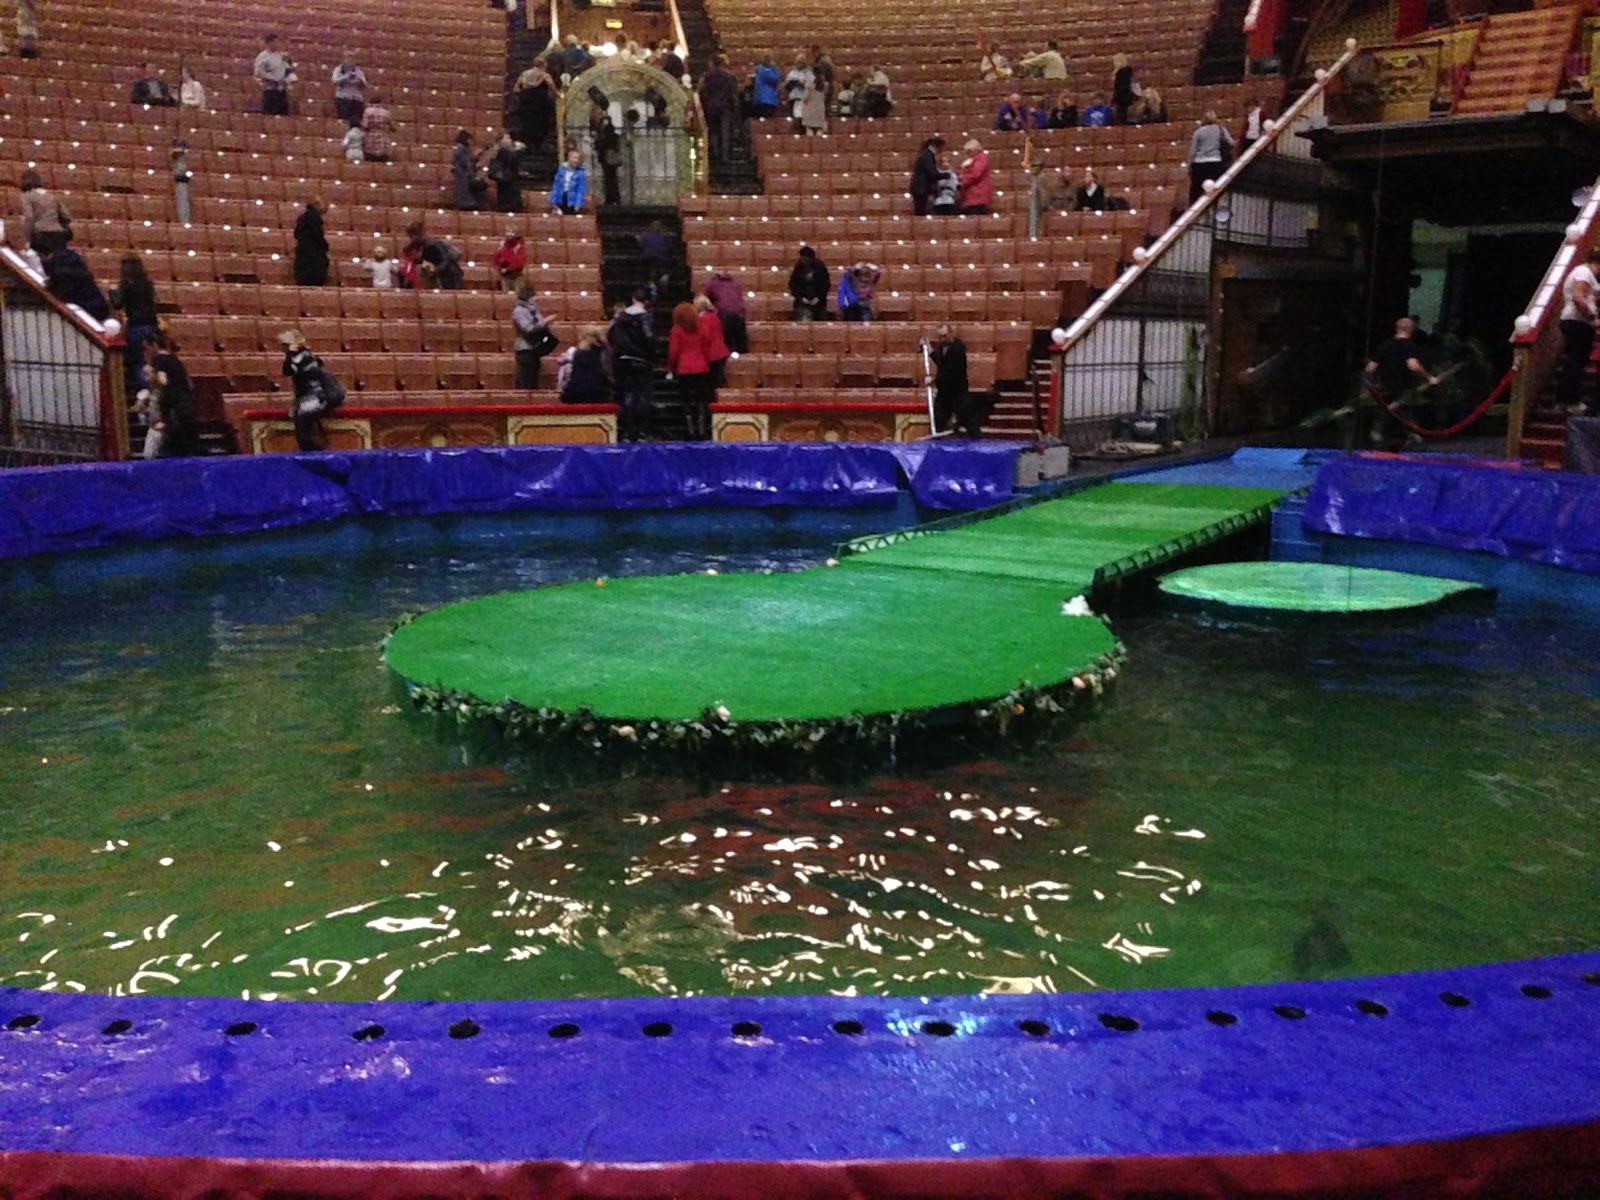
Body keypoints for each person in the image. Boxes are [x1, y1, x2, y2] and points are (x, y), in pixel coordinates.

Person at [1364, 317, 1439, 447]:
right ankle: (1415, 439)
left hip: (1385, 388)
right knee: (1399, 412)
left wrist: (1372, 385)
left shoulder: (1384, 345)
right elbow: (1413, 366)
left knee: (1394, 413)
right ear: (1411, 329)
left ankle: (1380, 439)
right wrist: (1429, 378)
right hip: (1403, 388)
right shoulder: (1409, 346)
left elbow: (1370, 368)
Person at [279, 329, 344, 451]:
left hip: (313, 397)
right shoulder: (301, 357)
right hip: (307, 397)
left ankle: (317, 452)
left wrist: (290, 354)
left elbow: (289, 371)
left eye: (285, 345)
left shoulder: (303, 357)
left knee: (304, 435)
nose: (283, 348)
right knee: (303, 434)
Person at [138, 333, 201, 459]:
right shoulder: (176, 360)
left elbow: (164, 382)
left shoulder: (159, 360)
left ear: (154, 345)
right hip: (187, 407)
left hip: (174, 412)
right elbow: (190, 384)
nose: (145, 353)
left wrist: (153, 389)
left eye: (146, 348)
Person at [1557, 246, 1600, 414]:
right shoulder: (1584, 273)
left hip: (1576, 322)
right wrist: (1592, 317)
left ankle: (1564, 398)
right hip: (1578, 322)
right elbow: (1578, 297)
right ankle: (1571, 400)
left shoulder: (1586, 274)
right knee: (1576, 361)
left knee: (1574, 361)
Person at [609, 288, 656, 442]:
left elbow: (613, 338)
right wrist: (652, 355)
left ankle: (627, 432)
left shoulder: (621, 317)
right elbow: (649, 339)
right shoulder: (645, 317)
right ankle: (641, 431)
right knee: (642, 396)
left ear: (633, 299)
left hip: (623, 360)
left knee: (627, 395)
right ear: (646, 301)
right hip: (641, 360)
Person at [109, 254, 161, 393]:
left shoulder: (127, 285)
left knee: (137, 365)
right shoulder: (147, 284)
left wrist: (112, 291)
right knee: (151, 364)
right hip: (151, 327)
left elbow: (118, 304)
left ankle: (146, 393)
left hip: (136, 328)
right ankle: (155, 393)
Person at [668, 301, 712, 441]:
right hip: (701, 367)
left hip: (684, 369)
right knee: (701, 400)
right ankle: (702, 429)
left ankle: (690, 430)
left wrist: (671, 367)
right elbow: (706, 348)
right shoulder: (702, 328)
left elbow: (674, 352)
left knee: (685, 400)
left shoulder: (676, 331)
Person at [42, 245, 110, 321]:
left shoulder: (63, 272)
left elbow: (63, 288)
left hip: (89, 312)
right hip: (94, 310)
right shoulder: (76, 269)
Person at [512, 284, 558, 389]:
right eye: (533, 297)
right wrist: (545, 321)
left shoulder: (533, 309)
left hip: (535, 348)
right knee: (526, 380)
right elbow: (528, 328)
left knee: (533, 380)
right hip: (525, 349)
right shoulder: (519, 311)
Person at [928, 324, 969, 434]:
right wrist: (930, 351)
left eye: (944, 336)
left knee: (969, 421)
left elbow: (948, 369)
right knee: (938, 420)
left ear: (951, 334)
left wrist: (933, 381)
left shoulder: (958, 348)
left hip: (957, 391)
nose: (942, 339)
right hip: (944, 393)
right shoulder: (942, 347)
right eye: (940, 337)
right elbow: (941, 362)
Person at [699, 55, 741, 164]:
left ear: (712, 63)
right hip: (725, 106)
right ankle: (725, 156)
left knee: (713, 131)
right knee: (725, 131)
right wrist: (735, 107)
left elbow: (701, 90)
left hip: (711, 106)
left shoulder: (707, 76)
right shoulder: (730, 76)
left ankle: (715, 153)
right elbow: (734, 93)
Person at [1188, 109, 1235, 204]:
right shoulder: (1221, 129)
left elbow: (1193, 151)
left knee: (1197, 191)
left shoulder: (1198, 132)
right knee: (1214, 189)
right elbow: (1231, 143)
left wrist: (1190, 164)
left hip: (1199, 164)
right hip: (1215, 161)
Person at [20, 169, 70, 256]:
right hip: (58, 235)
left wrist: (28, 239)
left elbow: (29, 217)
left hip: (41, 235)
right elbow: (66, 216)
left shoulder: (28, 196)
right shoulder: (52, 195)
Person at [512, 60, 557, 153]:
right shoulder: (544, 75)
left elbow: (516, 88)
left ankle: (527, 144)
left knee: (527, 122)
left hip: (526, 102)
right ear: (543, 65)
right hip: (541, 103)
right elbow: (552, 86)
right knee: (540, 123)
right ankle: (538, 145)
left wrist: (522, 95)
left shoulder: (524, 74)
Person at [559, 327, 611, 405]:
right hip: (601, 393)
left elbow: (575, 377)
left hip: (578, 393)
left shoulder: (579, 353)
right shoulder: (606, 352)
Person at [695, 295, 732, 403]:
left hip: (711, 354)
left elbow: (705, 336)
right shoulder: (715, 317)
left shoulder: (702, 319)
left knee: (711, 384)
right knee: (718, 382)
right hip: (722, 352)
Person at [704, 269, 748, 354]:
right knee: (741, 345)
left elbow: (707, 300)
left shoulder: (712, 284)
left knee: (726, 343)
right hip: (739, 314)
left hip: (724, 314)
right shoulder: (735, 284)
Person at [292, 196, 329, 287]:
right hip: (313, 261)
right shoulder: (314, 219)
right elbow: (318, 237)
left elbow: (296, 234)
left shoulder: (301, 218)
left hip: (302, 258)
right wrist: (325, 247)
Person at [254, 33, 293, 117]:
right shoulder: (262, 57)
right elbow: (259, 73)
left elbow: (286, 69)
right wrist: (271, 79)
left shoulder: (281, 56)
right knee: (270, 116)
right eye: (275, 42)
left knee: (283, 115)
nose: (277, 44)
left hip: (281, 90)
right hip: (270, 90)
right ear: (269, 43)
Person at [486, 132, 525, 213]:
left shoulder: (505, 153)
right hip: (506, 190)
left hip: (511, 189)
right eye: (507, 138)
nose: (510, 140)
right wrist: (518, 150)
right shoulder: (501, 152)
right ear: (501, 141)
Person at [590, 106, 622, 206]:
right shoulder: (598, 125)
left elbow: (609, 137)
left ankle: (613, 198)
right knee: (608, 176)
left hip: (608, 152)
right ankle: (611, 197)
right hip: (604, 152)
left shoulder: (605, 124)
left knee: (611, 176)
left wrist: (600, 144)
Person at [789, 245, 829, 322]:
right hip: (802, 301)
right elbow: (794, 285)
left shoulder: (820, 267)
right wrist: (801, 298)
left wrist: (818, 298)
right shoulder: (798, 268)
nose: (803, 261)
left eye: (806, 259)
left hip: (819, 301)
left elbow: (825, 284)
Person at [909, 135, 944, 217]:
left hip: (920, 187)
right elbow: (931, 173)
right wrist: (946, 175)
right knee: (921, 211)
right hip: (921, 188)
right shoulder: (927, 155)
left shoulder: (925, 153)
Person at [331, 51, 368, 128]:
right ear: (343, 59)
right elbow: (334, 81)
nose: (350, 60)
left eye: (352, 58)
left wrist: (358, 80)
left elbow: (365, 84)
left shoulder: (358, 71)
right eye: (347, 58)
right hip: (343, 98)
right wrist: (345, 77)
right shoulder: (338, 69)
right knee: (344, 120)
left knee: (356, 121)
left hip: (356, 99)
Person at [452, 130, 486, 211]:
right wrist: (475, 156)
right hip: (467, 192)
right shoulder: (461, 151)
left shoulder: (460, 151)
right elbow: (468, 165)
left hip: (465, 191)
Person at [957, 139, 992, 216]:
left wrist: (961, 178)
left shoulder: (981, 158)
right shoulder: (972, 160)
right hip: (971, 194)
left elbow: (976, 174)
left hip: (977, 194)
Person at [550, 149, 587, 215]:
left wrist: (578, 204)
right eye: (574, 158)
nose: (576, 160)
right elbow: (556, 186)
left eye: (578, 159)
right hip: (561, 199)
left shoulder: (580, 173)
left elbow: (580, 190)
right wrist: (553, 201)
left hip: (572, 201)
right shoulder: (561, 170)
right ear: (569, 158)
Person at [361, 91, 395, 163]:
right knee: (383, 159)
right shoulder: (386, 112)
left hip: (371, 136)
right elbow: (393, 128)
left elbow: (365, 125)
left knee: (370, 159)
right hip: (382, 136)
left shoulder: (367, 111)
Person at [492, 228, 527, 293]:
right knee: (505, 295)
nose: (509, 234)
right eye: (508, 232)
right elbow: (497, 257)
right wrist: (497, 266)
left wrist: (508, 268)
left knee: (518, 294)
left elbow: (520, 261)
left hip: (517, 275)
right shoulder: (502, 245)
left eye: (512, 232)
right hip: (505, 275)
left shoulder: (520, 246)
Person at [1111, 53, 1137, 125]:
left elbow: (1121, 89)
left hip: (1124, 102)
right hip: (1127, 100)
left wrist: (1115, 99)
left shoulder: (1122, 73)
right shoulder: (1129, 72)